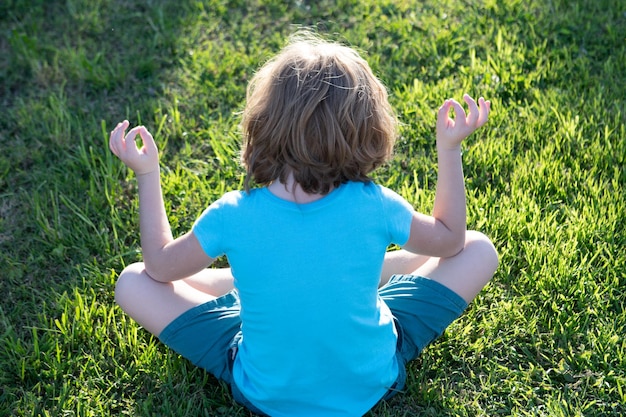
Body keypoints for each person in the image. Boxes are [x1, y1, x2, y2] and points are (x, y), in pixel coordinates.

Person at [109, 32, 498, 416]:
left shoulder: (232, 214)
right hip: (372, 378)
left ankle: (255, 279)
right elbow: (451, 240)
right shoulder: (376, 205)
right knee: (478, 248)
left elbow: (158, 268)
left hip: (265, 392)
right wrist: (450, 149)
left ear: (261, 125)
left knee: (132, 280)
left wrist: (147, 174)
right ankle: (345, 274)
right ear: (367, 130)